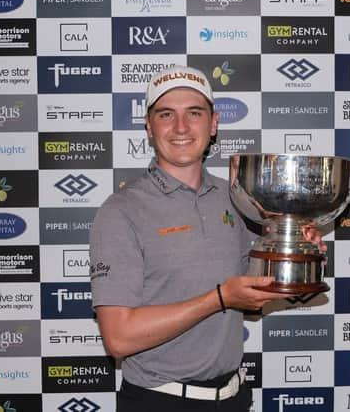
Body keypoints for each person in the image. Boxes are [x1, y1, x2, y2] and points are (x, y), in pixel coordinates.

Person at [89, 65, 324, 412]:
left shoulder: (239, 199)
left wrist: (298, 259)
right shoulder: (121, 211)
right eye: (166, 114)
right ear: (149, 127)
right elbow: (119, 338)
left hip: (234, 398)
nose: (181, 127)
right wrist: (219, 298)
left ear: (213, 124)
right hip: (159, 402)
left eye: (194, 113)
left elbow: (255, 292)